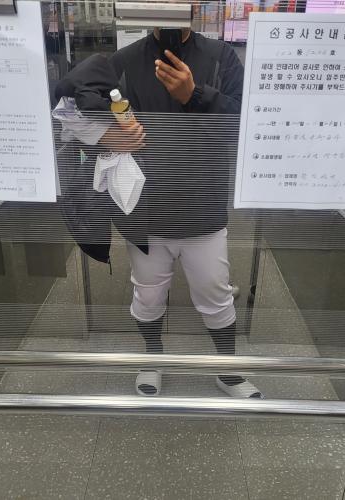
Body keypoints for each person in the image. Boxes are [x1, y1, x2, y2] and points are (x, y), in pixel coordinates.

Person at [97, 27, 263, 399]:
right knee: (148, 294)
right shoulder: (124, 61)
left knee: (215, 292)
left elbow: (241, 127)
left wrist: (194, 95)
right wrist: (109, 136)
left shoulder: (221, 57)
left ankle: (228, 371)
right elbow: (87, 120)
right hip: (145, 208)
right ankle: (153, 358)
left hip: (202, 206)